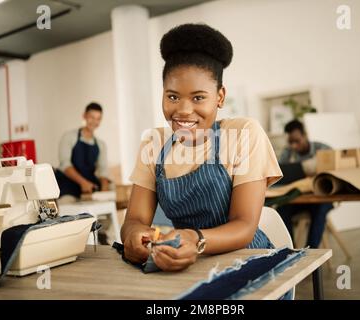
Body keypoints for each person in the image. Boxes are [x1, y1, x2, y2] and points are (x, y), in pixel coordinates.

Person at [120, 24, 284, 274]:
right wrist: (135, 236)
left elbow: (244, 225)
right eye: (173, 97)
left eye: (198, 98)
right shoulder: (153, 143)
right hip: (188, 268)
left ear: (220, 97)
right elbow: (135, 220)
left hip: (250, 265)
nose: (184, 110)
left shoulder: (242, 134)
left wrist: (194, 240)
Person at [277, 119, 333, 248]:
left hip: (321, 197)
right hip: (300, 198)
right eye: (290, 142)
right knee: (281, 209)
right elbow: (280, 174)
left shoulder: (323, 150)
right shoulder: (288, 152)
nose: (294, 146)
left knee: (320, 210)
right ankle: (290, 251)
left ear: (305, 135)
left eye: (297, 141)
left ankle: (311, 256)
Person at [55, 102, 109, 202]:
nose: (94, 122)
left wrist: (104, 191)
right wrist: (83, 183)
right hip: (68, 188)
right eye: (91, 117)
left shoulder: (101, 145)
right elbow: (65, 165)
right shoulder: (69, 137)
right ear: (84, 116)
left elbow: (103, 170)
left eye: (98, 118)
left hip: (88, 190)